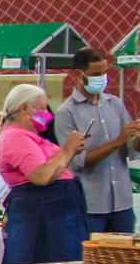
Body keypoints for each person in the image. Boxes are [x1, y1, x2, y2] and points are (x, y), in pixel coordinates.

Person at [0, 83, 89, 264]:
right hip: (44, 214)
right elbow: (41, 176)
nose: (47, 113)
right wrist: (67, 151)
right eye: (42, 108)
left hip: (56, 214)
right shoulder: (16, 137)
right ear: (24, 107)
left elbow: (50, 170)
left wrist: (69, 152)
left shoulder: (27, 136)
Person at [53, 46, 138, 234]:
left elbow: (132, 149)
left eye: (105, 72)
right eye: (96, 74)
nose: (102, 78)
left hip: (122, 205)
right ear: (79, 74)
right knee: (88, 260)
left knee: (123, 260)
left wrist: (137, 138)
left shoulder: (114, 103)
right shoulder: (66, 113)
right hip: (90, 206)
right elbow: (76, 162)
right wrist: (117, 141)